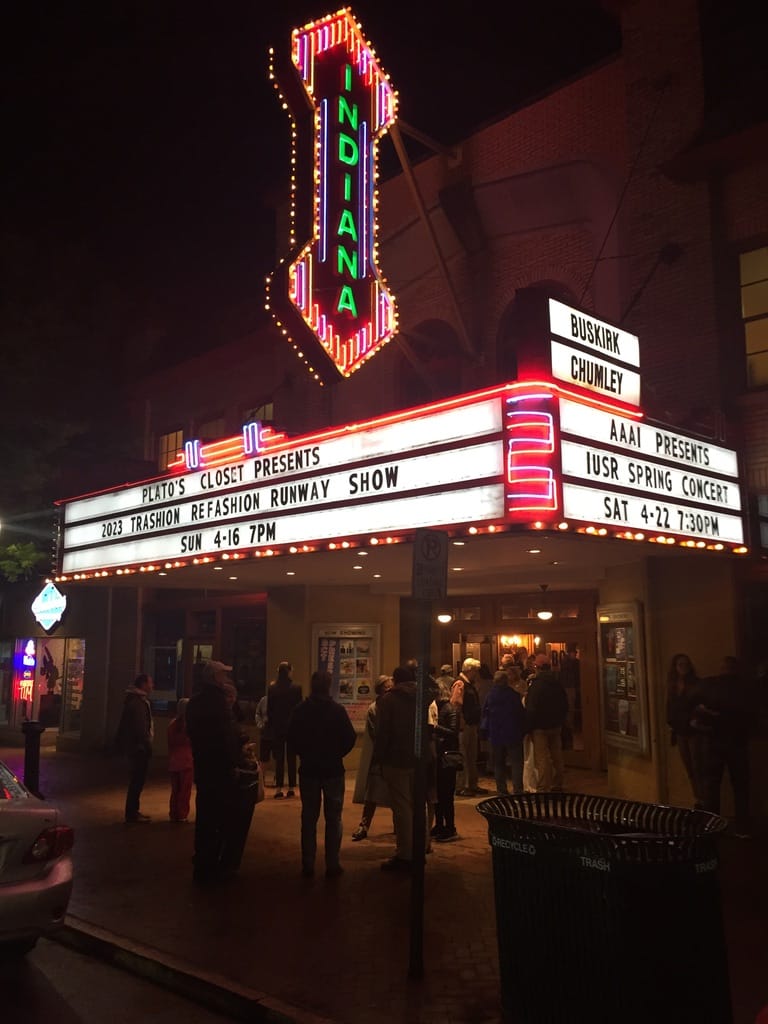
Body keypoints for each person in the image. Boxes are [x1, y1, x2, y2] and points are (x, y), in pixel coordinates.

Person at [286, 669, 357, 878]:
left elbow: (291, 738)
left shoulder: (300, 710)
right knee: (333, 818)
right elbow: (350, 738)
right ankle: (332, 863)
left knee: (309, 817)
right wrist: (336, 754)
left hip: (309, 769)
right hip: (333, 769)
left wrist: (305, 754)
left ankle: (308, 863)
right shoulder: (337, 711)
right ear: (328, 686)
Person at [186, 660, 243, 885]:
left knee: (204, 818)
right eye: (223, 675)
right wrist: (233, 763)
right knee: (220, 819)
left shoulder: (195, 702)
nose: (226, 679)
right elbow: (226, 737)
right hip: (220, 769)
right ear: (216, 678)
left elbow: (193, 733)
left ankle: (202, 863)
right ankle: (214, 868)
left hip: (203, 766)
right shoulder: (218, 703)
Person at [695, 656, 754, 837]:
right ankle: (742, 826)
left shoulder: (711, 685)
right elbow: (747, 714)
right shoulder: (745, 688)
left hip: (715, 740)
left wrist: (710, 716)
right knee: (740, 785)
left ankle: (713, 825)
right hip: (736, 741)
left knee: (713, 785)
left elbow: (698, 708)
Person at [373, 664, 419, 871]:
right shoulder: (422, 697)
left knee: (401, 808)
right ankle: (418, 850)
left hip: (395, 758)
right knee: (418, 806)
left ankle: (405, 855)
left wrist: (378, 758)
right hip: (418, 758)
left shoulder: (388, 700)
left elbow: (383, 732)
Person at [351, 674, 393, 841]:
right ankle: (364, 824)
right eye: (386, 688)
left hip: (391, 757)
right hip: (380, 757)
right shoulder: (375, 708)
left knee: (397, 794)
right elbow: (377, 734)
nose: (389, 690)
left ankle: (399, 826)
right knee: (372, 794)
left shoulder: (390, 706)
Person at [665, 652, 707, 808]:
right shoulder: (673, 686)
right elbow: (670, 705)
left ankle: (703, 799)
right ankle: (698, 797)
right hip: (680, 729)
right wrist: (670, 723)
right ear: (675, 667)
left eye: (686, 664)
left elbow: (701, 704)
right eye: (680, 665)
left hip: (693, 729)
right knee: (689, 765)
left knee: (698, 765)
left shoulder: (696, 683)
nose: (683, 667)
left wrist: (696, 719)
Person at [114, 673, 154, 823]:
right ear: (143, 684)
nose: (152, 685)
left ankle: (133, 811)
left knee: (136, 780)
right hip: (138, 749)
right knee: (137, 781)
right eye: (150, 683)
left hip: (136, 747)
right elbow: (140, 729)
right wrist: (147, 745)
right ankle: (132, 813)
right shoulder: (137, 703)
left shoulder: (136, 701)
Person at [525, 653, 568, 792]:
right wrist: (561, 720)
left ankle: (544, 787)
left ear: (537, 667)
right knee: (557, 755)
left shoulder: (536, 685)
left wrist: (529, 727)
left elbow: (531, 708)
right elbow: (564, 704)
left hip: (540, 727)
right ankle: (558, 783)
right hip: (555, 725)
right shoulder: (557, 683)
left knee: (542, 758)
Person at [482, 670, 526, 795]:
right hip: (512, 733)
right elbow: (520, 714)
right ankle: (518, 790)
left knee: (498, 763)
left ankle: (501, 790)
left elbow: (485, 714)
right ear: (506, 681)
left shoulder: (490, 696)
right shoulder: (513, 695)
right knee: (516, 762)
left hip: (495, 734)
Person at [450, 657, 487, 796]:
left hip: (471, 724)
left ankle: (472, 784)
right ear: (470, 670)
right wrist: (461, 722)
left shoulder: (469, 684)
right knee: (464, 755)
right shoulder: (460, 684)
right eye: (476, 671)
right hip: (464, 726)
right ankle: (462, 786)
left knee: (472, 755)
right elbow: (455, 704)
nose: (477, 674)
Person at [267, 661, 302, 798]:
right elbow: (298, 709)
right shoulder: (296, 688)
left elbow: (270, 709)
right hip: (292, 727)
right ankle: (292, 786)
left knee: (279, 758)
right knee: (292, 757)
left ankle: (279, 788)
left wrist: (271, 726)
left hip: (277, 726)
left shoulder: (272, 688)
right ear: (288, 671)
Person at [432, 677, 460, 841]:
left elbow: (453, 732)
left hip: (447, 756)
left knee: (446, 795)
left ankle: (450, 827)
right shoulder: (439, 708)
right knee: (438, 794)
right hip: (439, 755)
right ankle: (440, 824)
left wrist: (435, 727)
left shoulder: (450, 709)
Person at [167, 697, 193, 822]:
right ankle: (182, 814)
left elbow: (170, 743)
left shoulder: (172, 724)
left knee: (175, 790)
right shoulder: (189, 725)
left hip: (174, 761)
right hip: (187, 761)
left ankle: (173, 813)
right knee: (185, 790)